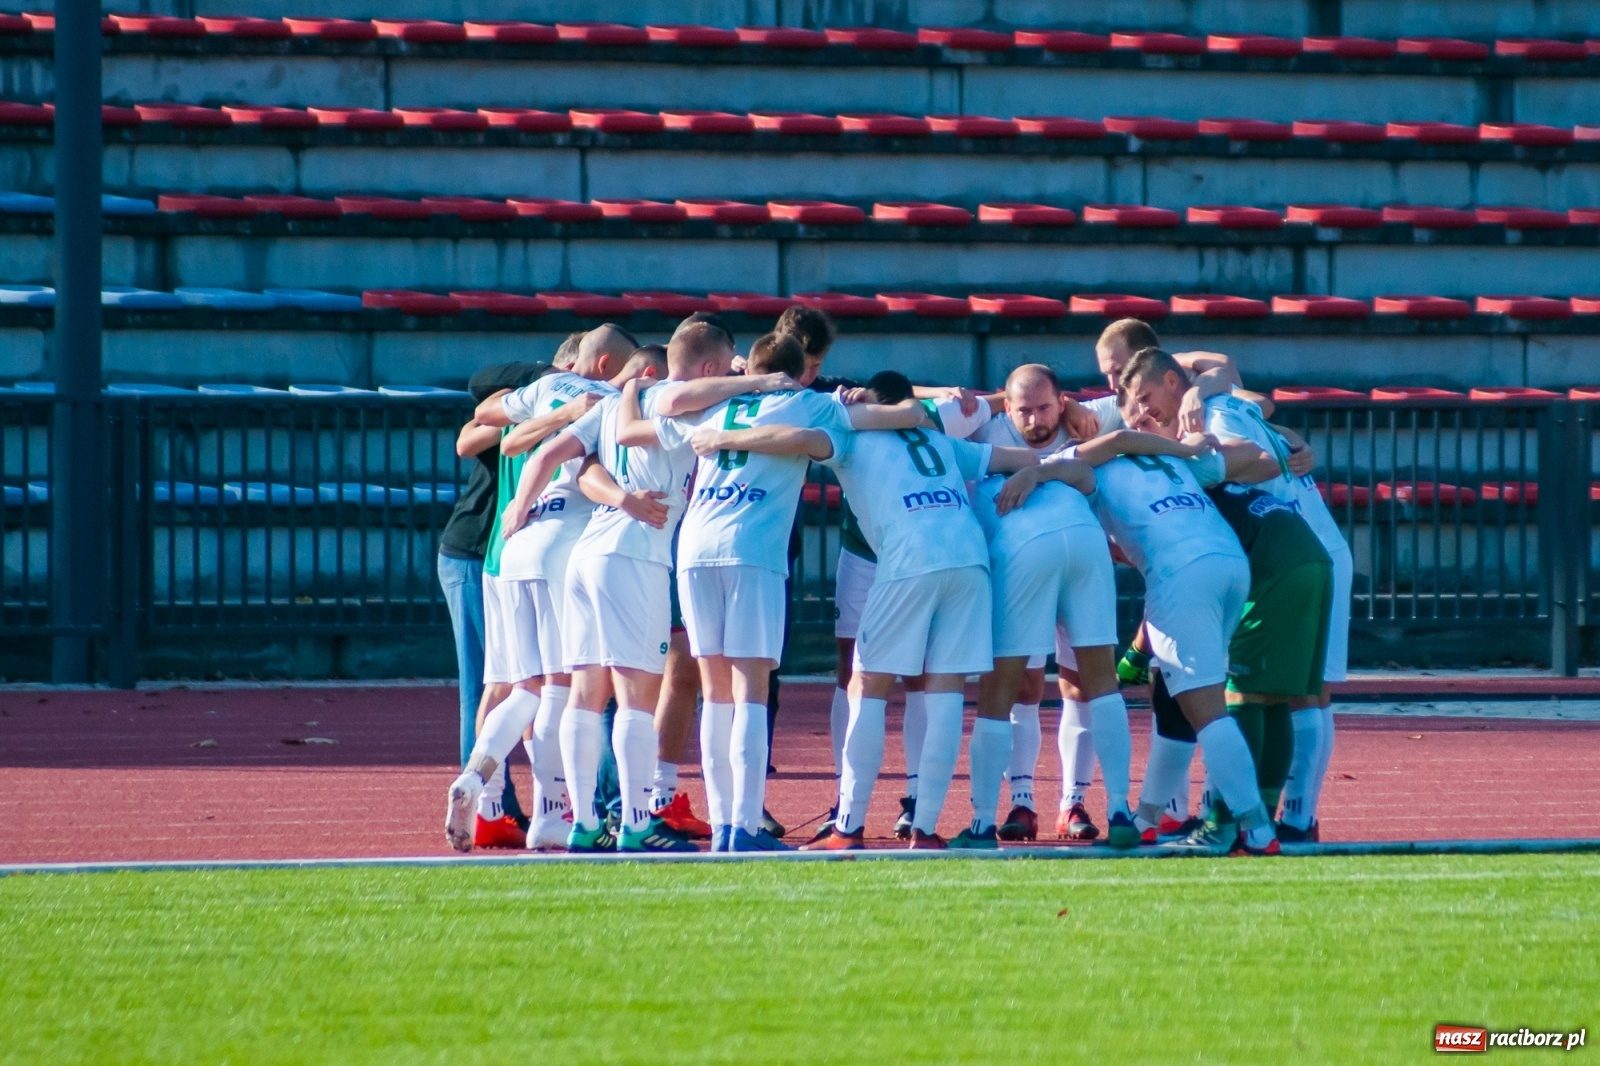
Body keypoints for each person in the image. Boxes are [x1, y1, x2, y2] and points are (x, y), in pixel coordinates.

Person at [501, 322, 796, 852]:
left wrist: (519, 509)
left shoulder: (612, 404)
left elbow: (547, 457)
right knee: (637, 696)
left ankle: (584, 821)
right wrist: (759, 383)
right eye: (726, 363)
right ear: (708, 366)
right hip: (635, 555)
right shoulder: (672, 399)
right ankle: (637, 823)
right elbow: (682, 398)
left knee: (586, 695)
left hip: (587, 553)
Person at [782, 370, 1039, 850]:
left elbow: (796, 435)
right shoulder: (937, 438)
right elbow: (1025, 457)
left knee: (869, 687)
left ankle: (849, 827)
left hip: (908, 557)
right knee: (944, 693)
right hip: (969, 558)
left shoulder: (849, 436)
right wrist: (1032, 473)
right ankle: (925, 829)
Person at [443, 329, 653, 852]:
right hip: (567, 546)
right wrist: (627, 498)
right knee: (562, 688)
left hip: (517, 544)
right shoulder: (614, 404)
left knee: (526, 688)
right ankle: (558, 813)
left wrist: (555, 419)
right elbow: (585, 471)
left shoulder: (546, 387)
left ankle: (477, 776)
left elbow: (508, 440)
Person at [1054, 422, 1280, 855]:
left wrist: (1035, 471)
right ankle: (1148, 817)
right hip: (1230, 562)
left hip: (1181, 572)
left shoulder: (1086, 466)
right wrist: (1195, 448)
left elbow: (1114, 443)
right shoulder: (1170, 462)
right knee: (1170, 702)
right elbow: (1252, 455)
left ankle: (1257, 828)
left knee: (1205, 709)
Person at [437, 358, 550, 837]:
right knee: (495, 683)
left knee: (517, 683)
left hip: (503, 557)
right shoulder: (529, 404)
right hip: (477, 551)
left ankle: (497, 799)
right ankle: (491, 801)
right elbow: (469, 435)